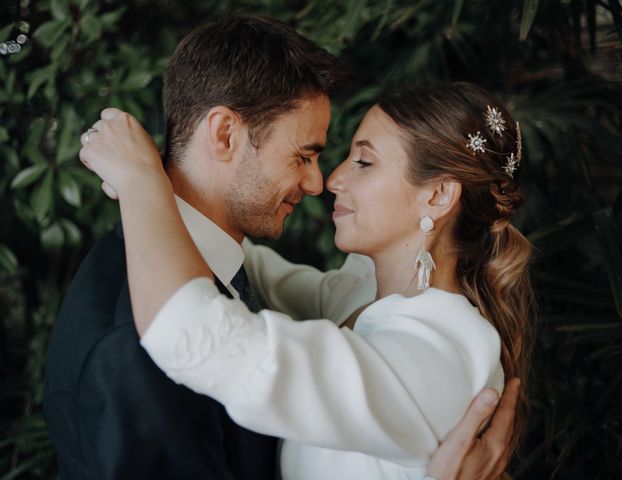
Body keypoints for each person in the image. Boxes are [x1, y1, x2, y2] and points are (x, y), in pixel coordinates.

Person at [45, 15, 517, 480]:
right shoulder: (129, 341)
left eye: (364, 161)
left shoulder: (440, 346)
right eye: (305, 154)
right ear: (225, 134)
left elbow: (196, 328)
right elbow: (248, 264)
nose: (322, 181)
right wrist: (149, 190)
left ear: (437, 195)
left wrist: (141, 180)